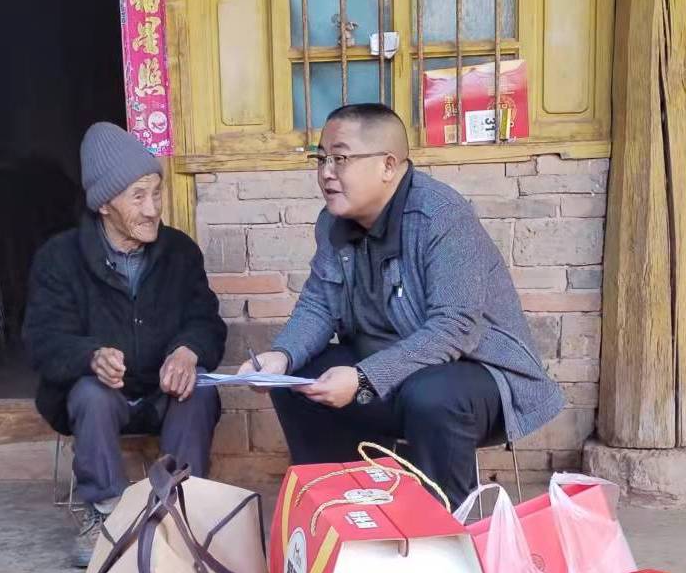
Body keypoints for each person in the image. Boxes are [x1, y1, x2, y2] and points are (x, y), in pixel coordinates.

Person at [235, 103, 564, 506]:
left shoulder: (441, 217)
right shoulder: (332, 222)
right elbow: (319, 304)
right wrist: (281, 357)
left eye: (340, 159)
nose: (326, 173)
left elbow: (455, 329)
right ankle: (340, 507)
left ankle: (443, 526)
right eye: (321, 159)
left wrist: (363, 378)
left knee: (431, 396)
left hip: (474, 376)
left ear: (388, 166)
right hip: (384, 372)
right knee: (298, 380)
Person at [28, 122, 226, 566]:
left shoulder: (179, 252)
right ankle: (104, 513)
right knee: (91, 392)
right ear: (104, 205)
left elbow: (206, 320)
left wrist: (188, 350)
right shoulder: (59, 258)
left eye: (156, 193)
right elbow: (43, 340)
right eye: (138, 197)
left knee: (199, 388)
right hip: (106, 398)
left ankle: (179, 509)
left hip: (162, 392)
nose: (152, 208)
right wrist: (90, 356)